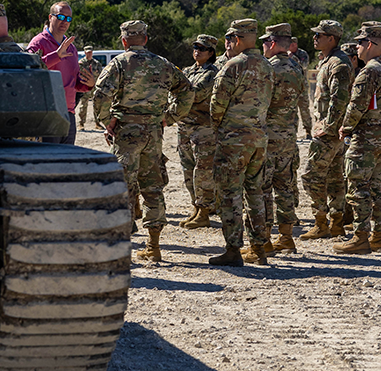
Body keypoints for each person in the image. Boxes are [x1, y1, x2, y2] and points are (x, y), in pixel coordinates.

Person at [93, 20, 193, 262]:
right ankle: (154, 245)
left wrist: (107, 121)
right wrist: (169, 117)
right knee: (153, 187)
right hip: (153, 133)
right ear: (146, 39)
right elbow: (187, 90)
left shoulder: (119, 64)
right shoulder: (163, 64)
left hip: (127, 132)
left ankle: (122, 246)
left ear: (124, 41)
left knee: (123, 188)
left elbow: (100, 94)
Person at [207, 19, 274, 267]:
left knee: (230, 194)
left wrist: (219, 130)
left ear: (236, 39)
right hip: (259, 138)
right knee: (255, 192)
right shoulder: (267, 66)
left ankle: (233, 250)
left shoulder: (233, 66)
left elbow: (217, 105)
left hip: (234, 140)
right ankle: (259, 248)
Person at [332, 25, 381, 254]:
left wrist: (346, 127)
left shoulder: (370, 71)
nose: (357, 47)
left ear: (370, 44)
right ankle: (379, 236)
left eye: (360, 42)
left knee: (358, 186)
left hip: (366, 138)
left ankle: (360, 237)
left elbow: (357, 104)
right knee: (379, 187)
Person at [247, 23, 305, 257]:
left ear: (271, 43)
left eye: (264, 42)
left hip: (268, 137)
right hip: (288, 135)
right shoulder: (297, 66)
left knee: (263, 188)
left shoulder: (268, 69)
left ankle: (265, 242)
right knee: (286, 186)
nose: (262, 46)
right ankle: (287, 237)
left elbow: (259, 103)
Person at [301, 20, 353, 239]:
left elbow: (339, 99)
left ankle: (321, 222)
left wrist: (328, 126)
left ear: (331, 38)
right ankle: (336, 223)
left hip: (329, 132)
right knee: (334, 178)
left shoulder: (339, 63)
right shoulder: (329, 61)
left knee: (310, 176)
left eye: (319, 35)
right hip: (330, 129)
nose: (315, 38)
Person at [27, 1, 95, 144]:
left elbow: (74, 83)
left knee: (66, 162)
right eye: (61, 17)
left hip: (68, 114)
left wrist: (88, 85)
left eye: (68, 18)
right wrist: (55, 56)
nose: (65, 22)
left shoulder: (72, 49)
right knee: (48, 162)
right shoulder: (38, 42)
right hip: (46, 113)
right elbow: (28, 71)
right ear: (50, 17)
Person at [178, 35, 220, 230]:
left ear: (211, 53)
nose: (197, 50)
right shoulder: (188, 70)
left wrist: (180, 93)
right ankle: (196, 207)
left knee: (202, 171)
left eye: (202, 48)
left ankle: (204, 211)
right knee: (188, 170)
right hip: (185, 126)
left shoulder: (212, 73)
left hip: (203, 128)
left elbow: (192, 93)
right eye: (195, 47)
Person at [76, 47, 105, 128]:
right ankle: (81, 123)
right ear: (85, 53)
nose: (89, 54)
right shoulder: (81, 63)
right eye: (88, 52)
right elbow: (78, 75)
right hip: (84, 87)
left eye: (91, 52)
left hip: (95, 87)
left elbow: (100, 75)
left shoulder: (97, 63)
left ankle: (97, 123)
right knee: (83, 105)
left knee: (97, 105)